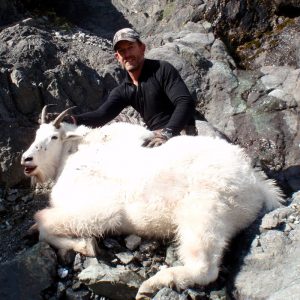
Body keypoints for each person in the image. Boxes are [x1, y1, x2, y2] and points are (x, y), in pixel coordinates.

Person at [72, 28, 202, 147]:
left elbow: (185, 102)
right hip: (156, 138)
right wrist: (72, 120)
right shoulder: (123, 90)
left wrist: (168, 133)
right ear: (117, 57)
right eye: (122, 51)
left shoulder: (162, 69)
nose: (127, 54)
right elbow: (101, 115)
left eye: (130, 47)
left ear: (142, 48)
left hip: (181, 133)